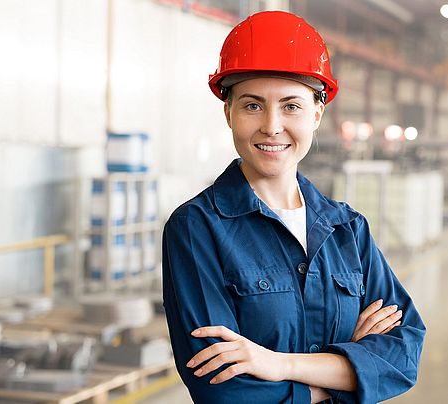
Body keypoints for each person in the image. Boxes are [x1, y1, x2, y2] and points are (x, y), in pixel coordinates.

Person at [162, 10, 425, 404]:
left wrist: (279, 364)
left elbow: (403, 357)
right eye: (252, 106)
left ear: (317, 114)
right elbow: (224, 389)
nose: (271, 125)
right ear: (228, 112)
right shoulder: (197, 228)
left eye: (291, 106)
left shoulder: (348, 230)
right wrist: (347, 372)